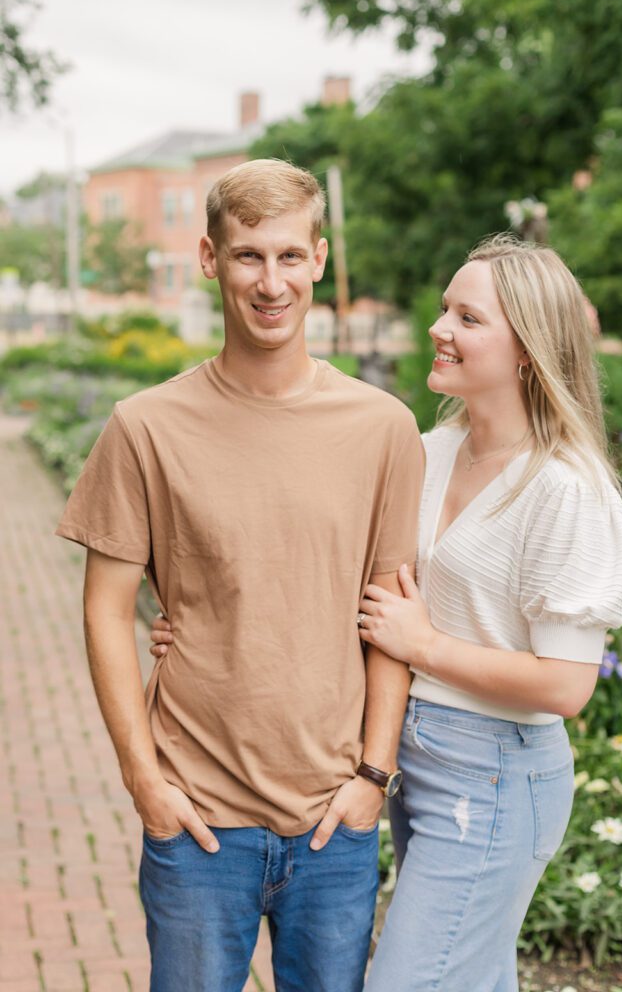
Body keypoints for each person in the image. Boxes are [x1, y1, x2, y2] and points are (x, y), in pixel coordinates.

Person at [152, 233, 622, 990]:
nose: (439, 328)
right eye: (446, 309)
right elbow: (346, 573)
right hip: (416, 764)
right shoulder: (426, 449)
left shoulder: (565, 488)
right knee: (468, 977)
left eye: (468, 319)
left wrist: (424, 645)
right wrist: (211, 621)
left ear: (525, 349)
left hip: (497, 775)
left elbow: (567, 686)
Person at [56, 159, 424, 992]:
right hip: (196, 824)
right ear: (209, 258)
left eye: (290, 256)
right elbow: (106, 613)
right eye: (249, 255)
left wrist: (372, 778)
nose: (271, 282)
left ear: (320, 260)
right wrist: (143, 781)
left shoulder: (381, 429)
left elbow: (388, 616)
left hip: (333, 824)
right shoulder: (144, 427)